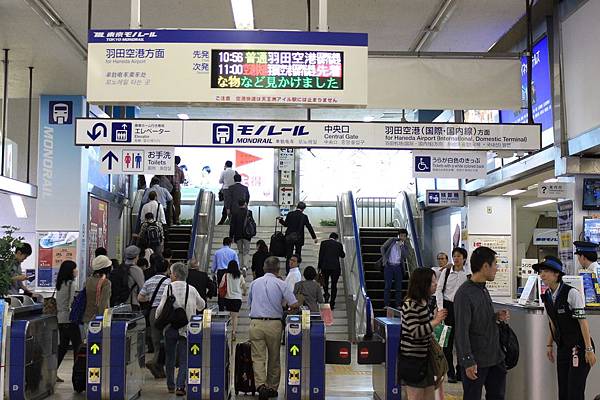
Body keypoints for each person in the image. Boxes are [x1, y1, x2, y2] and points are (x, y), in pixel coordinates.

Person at [534, 256, 596, 400]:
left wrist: (589, 349)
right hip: (563, 348)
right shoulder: (547, 296)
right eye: (541, 271)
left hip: (579, 348)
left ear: (557, 274)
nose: (542, 275)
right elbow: (552, 322)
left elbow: (583, 322)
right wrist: (549, 344)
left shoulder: (572, 293)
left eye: (546, 271)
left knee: (574, 391)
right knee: (563, 391)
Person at [454, 246, 509, 400]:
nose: (497, 269)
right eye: (495, 264)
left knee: (497, 395)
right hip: (477, 361)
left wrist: (496, 316)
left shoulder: (483, 289)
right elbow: (461, 331)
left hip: (495, 357)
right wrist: (467, 361)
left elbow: (478, 318)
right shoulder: (464, 294)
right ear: (485, 266)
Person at [248, 256, 299, 400]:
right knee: (274, 357)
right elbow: (294, 304)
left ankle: (260, 386)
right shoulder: (281, 284)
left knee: (257, 357)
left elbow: (249, 304)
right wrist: (285, 307)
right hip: (274, 325)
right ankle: (272, 387)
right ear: (278, 269)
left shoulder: (254, 283)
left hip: (256, 323)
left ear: (264, 268)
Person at [156, 262, 205, 396]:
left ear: (176, 275)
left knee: (170, 357)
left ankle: (170, 385)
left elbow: (160, 308)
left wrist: (158, 318)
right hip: (187, 328)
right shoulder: (192, 289)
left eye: (171, 273)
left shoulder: (169, 288)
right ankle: (180, 386)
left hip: (171, 327)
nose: (170, 275)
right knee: (185, 358)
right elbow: (202, 305)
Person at [399, 268, 448, 399]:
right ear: (422, 284)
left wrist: (434, 319)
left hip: (425, 359)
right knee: (416, 396)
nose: (436, 284)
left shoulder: (424, 303)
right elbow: (415, 332)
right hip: (413, 361)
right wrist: (436, 321)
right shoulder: (410, 305)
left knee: (429, 396)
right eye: (432, 282)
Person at [435, 247, 470, 383]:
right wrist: (440, 308)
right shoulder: (447, 271)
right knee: (446, 343)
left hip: (462, 309)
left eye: (459, 256)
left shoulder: (468, 274)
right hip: (447, 307)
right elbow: (439, 290)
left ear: (464, 258)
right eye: (454, 256)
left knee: (462, 341)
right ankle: (450, 372)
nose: (456, 258)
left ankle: (461, 369)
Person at [138, 255, 171, 379]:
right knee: (167, 340)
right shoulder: (169, 282)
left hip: (153, 312)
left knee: (156, 340)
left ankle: (158, 366)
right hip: (166, 313)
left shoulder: (149, 281)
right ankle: (156, 363)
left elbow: (140, 298)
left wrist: (151, 299)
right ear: (167, 270)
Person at [55, 260, 81, 382]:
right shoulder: (71, 283)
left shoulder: (60, 283)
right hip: (70, 320)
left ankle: (53, 372)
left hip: (60, 319)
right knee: (78, 346)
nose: (76, 271)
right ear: (70, 271)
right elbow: (71, 302)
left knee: (62, 348)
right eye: (75, 268)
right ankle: (77, 373)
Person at [277, 202, 317, 272]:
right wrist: (314, 237)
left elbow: (286, 224)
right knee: (298, 254)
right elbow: (309, 227)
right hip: (299, 238)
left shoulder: (290, 214)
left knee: (289, 255)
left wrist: (280, 220)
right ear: (303, 209)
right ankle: (296, 270)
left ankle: (288, 271)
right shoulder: (304, 216)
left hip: (289, 237)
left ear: (297, 207)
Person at [380, 228, 412, 308]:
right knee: (388, 286)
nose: (402, 237)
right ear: (398, 235)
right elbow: (382, 247)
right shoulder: (392, 240)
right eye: (401, 235)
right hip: (389, 266)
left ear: (406, 237)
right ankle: (386, 304)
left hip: (398, 267)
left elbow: (405, 255)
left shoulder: (406, 244)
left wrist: (402, 246)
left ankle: (398, 304)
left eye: (404, 236)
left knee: (399, 287)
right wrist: (384, 258)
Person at [110, 245, 145, 310]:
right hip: (131, 304)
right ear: (137, 256)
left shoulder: (120, 267)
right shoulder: (137, 270)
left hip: (117, 303)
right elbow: (142, 289)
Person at [220, 260, 247, 342]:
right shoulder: (240, 276)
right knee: (235, 317)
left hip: (228, 298)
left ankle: (225, 332)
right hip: (237, 299)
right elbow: (244, 286)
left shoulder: (225, 275)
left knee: (228, 316)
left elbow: (221, 285)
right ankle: (234, 333)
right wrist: (244, 293)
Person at [317, 232, 345, 309]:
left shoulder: (323, 243)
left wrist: (319, 267)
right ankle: (332, 303)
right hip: (335, 268)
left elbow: (321, 255)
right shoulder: (338, 244)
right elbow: (343, 255)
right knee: (334, 285)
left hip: (325, 266)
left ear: (329, 237)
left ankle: (326, 294)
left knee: (325, 282)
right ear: (336, 238)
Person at [211, 237, 239, 311]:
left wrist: (213, 272)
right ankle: (228, 305)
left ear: (223, 243)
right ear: (230, 243)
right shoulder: (233, 252)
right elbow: (236, 264)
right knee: (229, 288)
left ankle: (221, 306)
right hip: (230, 272)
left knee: (221, 289)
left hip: (220, 272)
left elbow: (214, 264)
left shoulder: (217, 252)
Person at [83, 255, 112, 324]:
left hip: (86, 317)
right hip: (99, 319)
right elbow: (104, 303)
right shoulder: (106, 282)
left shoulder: (88, 280)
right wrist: (105, 320)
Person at [229, 199, 254, 270]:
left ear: (238, 204)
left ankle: (240, 266)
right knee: (246, 251)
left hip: (238, 235)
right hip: (247, 235)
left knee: (240, 251)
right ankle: (245, 266)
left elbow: (232, 225)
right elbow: (252, 223)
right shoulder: (249, 212)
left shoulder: (235, 213)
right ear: (245, 203)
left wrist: (231, 236)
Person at [169, 156, 185, 225]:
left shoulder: (168, 169)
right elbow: (182, 180)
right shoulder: (180, 170)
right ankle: (177, 220)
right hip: (177, 189)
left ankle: (171, 220)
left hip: (169, 189)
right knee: (177, 205)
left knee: (169, 204)